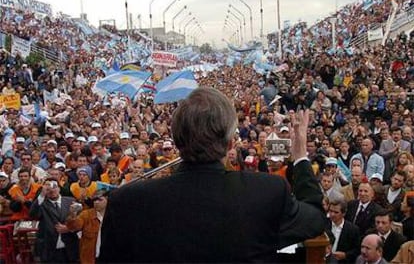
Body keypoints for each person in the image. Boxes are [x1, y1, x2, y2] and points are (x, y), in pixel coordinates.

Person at [100, 87, 325, 262]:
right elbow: (315, 219)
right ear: (229, 144)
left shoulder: (127, 201)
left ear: (177, 141)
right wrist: (301, 157)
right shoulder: (267, 192)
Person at [29, 178, 79, 263]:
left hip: (69, 247)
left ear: (59, 188)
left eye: (54, 187)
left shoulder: (71, 201)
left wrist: (69, 228)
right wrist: (42, 194)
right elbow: (33, 214)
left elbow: (79, 221)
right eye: (48, 188)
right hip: (49, 248)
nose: (52, 190)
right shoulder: (41, 203)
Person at [66, 190, 109, 264]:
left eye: (100, 200)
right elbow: (73, 227)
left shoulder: (114, 216)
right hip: (89, 259)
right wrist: (72, 215)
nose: (96, 202)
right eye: (94, 200)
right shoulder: (86, 215)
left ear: (108, 200)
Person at [325, 199, 360, 263]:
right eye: (330, 211)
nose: (332, 214)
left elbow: (357, 249)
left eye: (336, 212)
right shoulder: (323, 224)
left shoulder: (352, 229)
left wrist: (345, 255)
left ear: (343, 213)